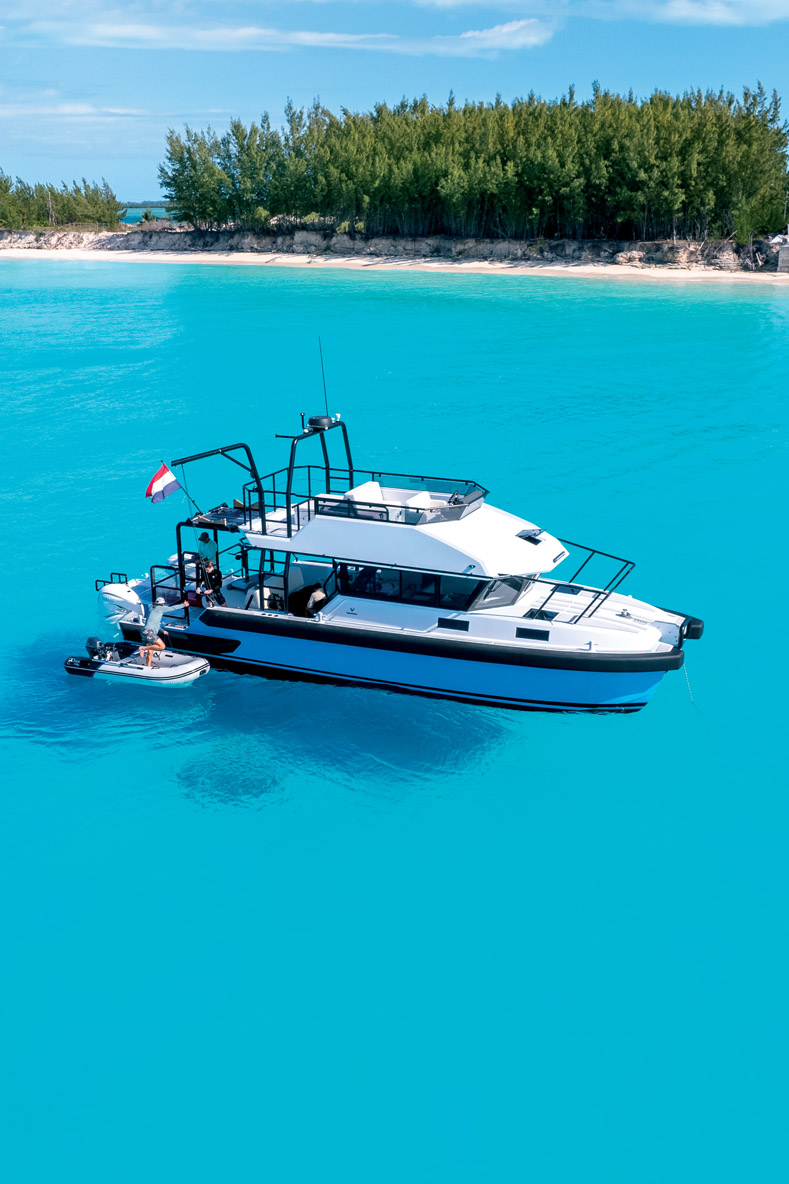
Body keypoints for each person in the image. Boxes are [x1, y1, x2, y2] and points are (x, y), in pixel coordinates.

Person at [138, 596, 185, 667]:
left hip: (145, 631)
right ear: (162, 604)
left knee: (150, 653)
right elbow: (172, 608)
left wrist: (162, 631)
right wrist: (183, 605)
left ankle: (148, 667)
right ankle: (143, 648)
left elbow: (155, 624)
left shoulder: (153, 610)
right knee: (162, 646)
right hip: (149, 632)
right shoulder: (160, 609)